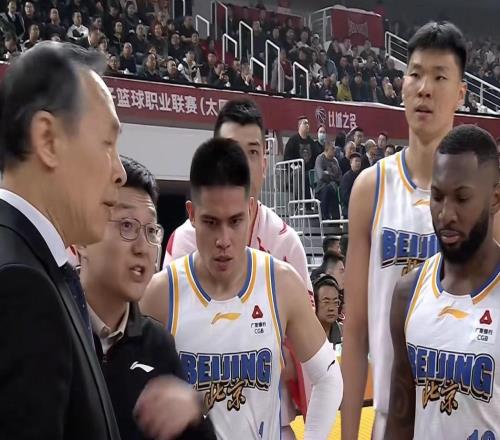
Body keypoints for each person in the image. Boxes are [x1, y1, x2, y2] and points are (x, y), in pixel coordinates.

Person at [141, 138, 343, 440]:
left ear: (250, 209)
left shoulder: (280, 283)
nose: (223, 240)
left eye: (235, 221)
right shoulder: (161, 293)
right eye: (211, 222)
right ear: (191, 214)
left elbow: (328, 377)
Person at [341, 22, 468, 440]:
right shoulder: (371, 188)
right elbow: (355, 331)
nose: (424, 88)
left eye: (439, 77)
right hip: (389, 422)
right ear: (402, 86)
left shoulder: (485, 199)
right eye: (415, 74)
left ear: (461, 94)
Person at [161, 99, 314, 439]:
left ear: (265, 163)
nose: (241, 162)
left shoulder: (286, 242)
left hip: (273, 424)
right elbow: (167, 343)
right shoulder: (183, 242)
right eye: (232, 150)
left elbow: (305, 353)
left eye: (253, 152)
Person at [0, 41, 125, 440]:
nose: (120, 171)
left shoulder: (36, 264)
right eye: (108, 144)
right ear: (48, 140)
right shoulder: (21, 285)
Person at [77, 156, 216, 440]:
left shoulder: (158, 345)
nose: (143, 247)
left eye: (151, 230)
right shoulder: (48, 325)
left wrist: (193, 412)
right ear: (83, 237)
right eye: (127, 225)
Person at [385, 125, 500, 439]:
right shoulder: (407, 293)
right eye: (437, 196)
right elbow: (400, 420)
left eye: (462, 198)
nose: (445, 214)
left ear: (494, 198)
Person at [314, 141, 341, 220]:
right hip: (321, 187)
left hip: (333, 186)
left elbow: (339, 176)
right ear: (326, 150)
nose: (334, 150)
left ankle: (336, 219)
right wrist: (333, 177)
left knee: (332, 189)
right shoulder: (320, 159)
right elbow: (321, 176)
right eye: (332, 149)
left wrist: (328, 174)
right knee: (328, 189)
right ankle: (325, 217)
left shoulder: (335, 160)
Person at [314, 274, 343, 346]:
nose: (331, 308)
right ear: (315, 303)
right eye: (326, 302)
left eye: (335, 302)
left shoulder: (345, 333)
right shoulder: (305, 334)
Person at [340, 151, 362, 218]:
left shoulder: (362, 175)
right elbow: (344, 196)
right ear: (351, 163)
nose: (358, 163)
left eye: (359, 161)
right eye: (356, 161)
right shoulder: (346, 177)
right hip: (349, 207)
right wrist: (356, 203)